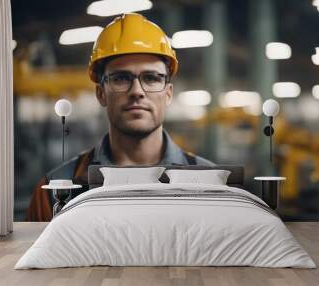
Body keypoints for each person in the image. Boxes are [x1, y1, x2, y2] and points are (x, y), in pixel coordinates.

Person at [27, 13, 214, 221]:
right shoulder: (53, 190)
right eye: (121, 78)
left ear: (168, 93)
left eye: (151, 78)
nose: (137, 91)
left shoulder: (213, 184)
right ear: (101, 94)